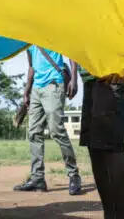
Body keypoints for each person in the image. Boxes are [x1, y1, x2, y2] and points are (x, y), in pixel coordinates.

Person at [78, 3, 124, 219]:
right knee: (94, 146)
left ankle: (119, 215)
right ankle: (110, 214)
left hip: (111, 71)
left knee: (110, 146)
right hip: (89, 72)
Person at [14, 46, 81, 195]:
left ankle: (74, 175)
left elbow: (71, 52)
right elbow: (31, 67)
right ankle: (37, 178)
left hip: (53, 84)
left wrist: (74, 81)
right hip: (36, 90)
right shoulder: (28, 41)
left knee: (56, 131)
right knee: (33, 133)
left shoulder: (52, 29)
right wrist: (26, 92)